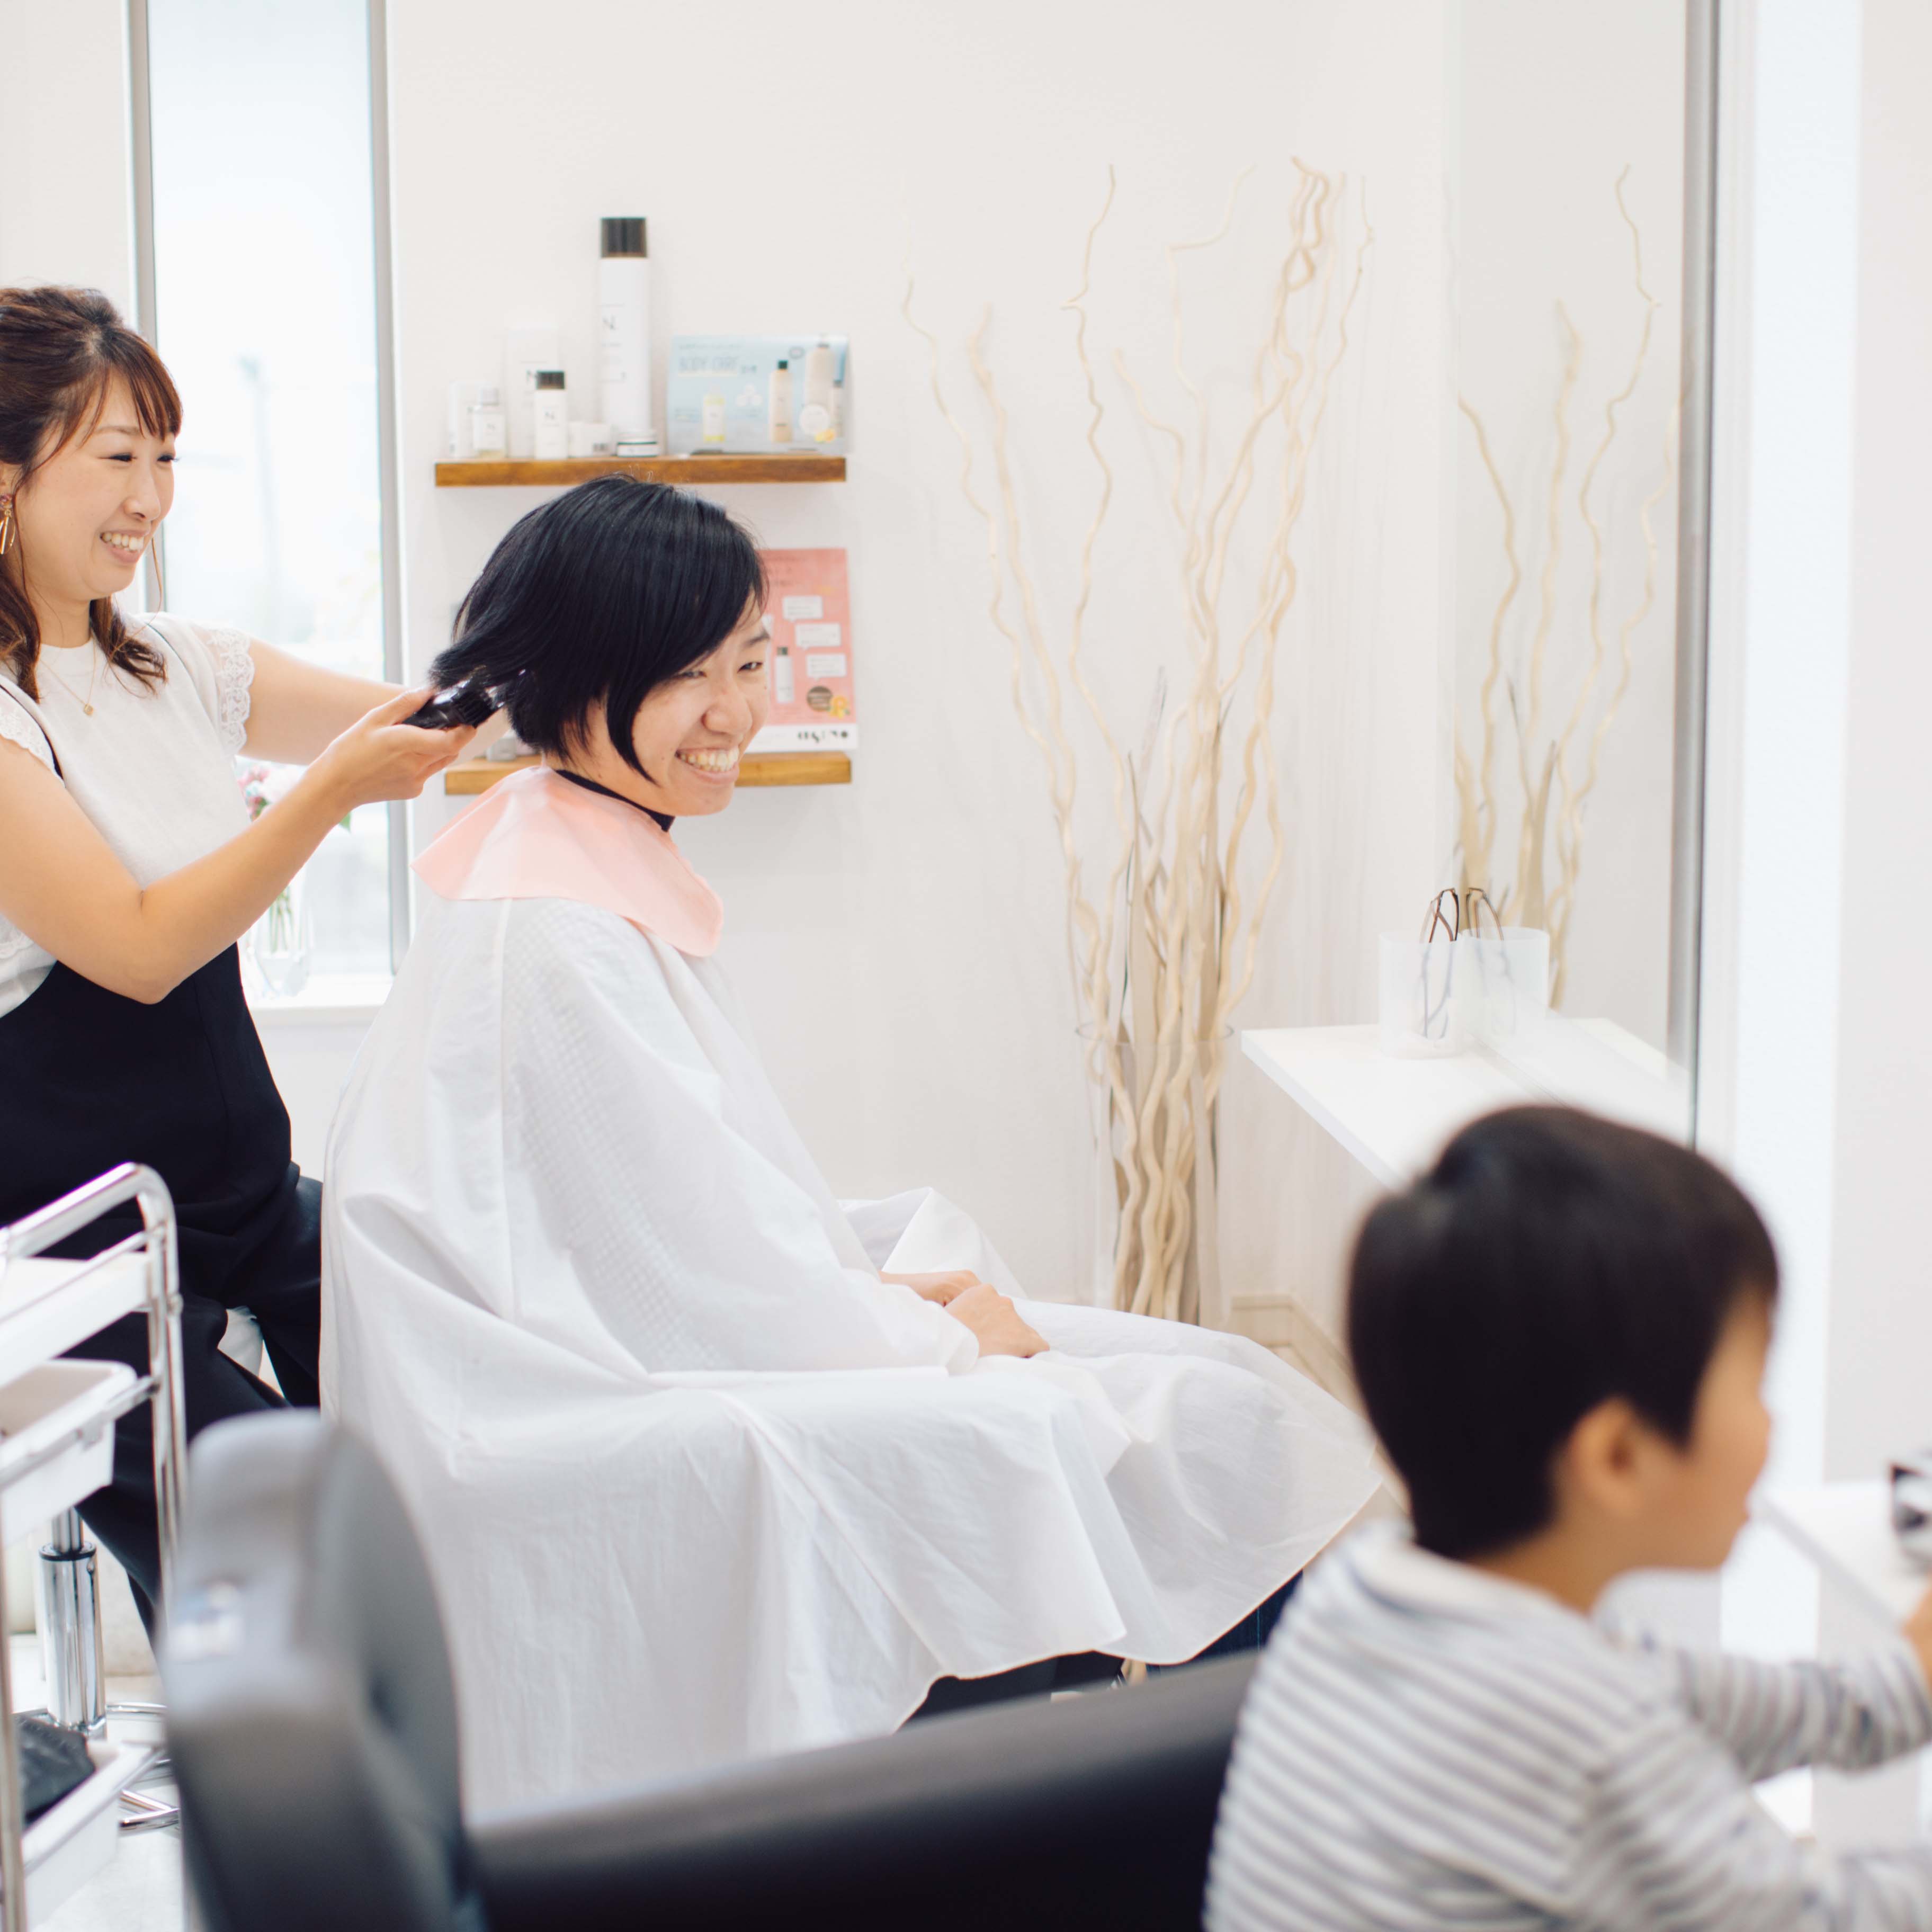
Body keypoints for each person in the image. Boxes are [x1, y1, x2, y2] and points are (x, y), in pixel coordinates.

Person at [322, 475, 1378, 1808]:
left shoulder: (570, 864)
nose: (737, 714)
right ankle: (1154, 1838)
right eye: (684, 675)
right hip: (556, 1432)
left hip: (609, 1368)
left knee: (1207, 1390)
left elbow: (684, 1234)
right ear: (575, 681)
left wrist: (885, 1301)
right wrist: (931, 1337)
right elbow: (691, 1282)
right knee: (1106, 1425)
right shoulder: (557, 933)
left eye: (751, 662)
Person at [0, 285, 476, 1622]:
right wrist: (328, 793)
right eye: (115, 458)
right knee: (271, 1572)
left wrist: (533, 664)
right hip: (68, 1246)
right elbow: (141, 952)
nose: (151, 497)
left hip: (238, 1186)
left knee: (439, 1357)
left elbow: (412, 723)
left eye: (165, 458)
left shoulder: (171, 663)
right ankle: (275, 1820)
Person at [1207, 1106, 1932, 1931]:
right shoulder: (1591, 1745)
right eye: (1755, 1383)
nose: (1772, 1425)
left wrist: (1904, 1684)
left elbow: (1681, 1692)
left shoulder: (1360, 1597)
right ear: (1617, 1457)